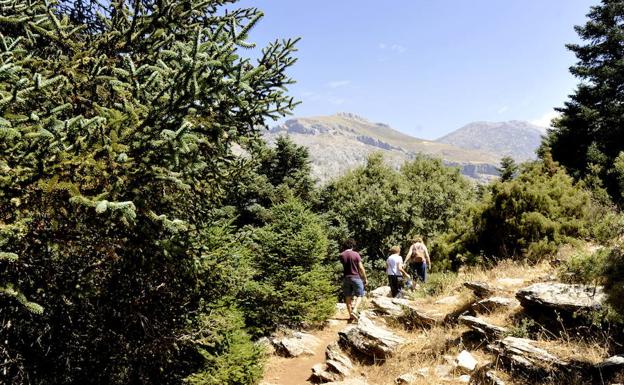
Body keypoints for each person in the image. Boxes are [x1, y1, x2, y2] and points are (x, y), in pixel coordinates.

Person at [339, 238, 368, 322]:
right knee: (360, 295)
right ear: (352, 245)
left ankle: (350, 316)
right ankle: (354, 310)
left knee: (348, 296)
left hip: (346, 277)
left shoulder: (341, 255)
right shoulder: (356, 254)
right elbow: (361, 268)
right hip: (356, 277)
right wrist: (365, 278)